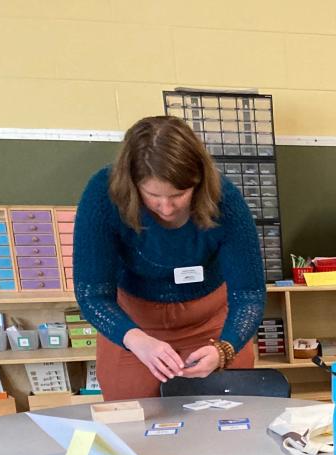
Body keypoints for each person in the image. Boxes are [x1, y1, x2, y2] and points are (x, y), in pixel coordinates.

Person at [73, 115, 265, 401]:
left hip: (209, 323)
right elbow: (92, 294)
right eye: (152, 195)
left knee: (227, 419)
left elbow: (249, 294)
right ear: (132, 183)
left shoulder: (225, 199)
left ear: (198, 182)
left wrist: (224, 348)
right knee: (134, 424)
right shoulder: (104, 194)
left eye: (179, 194)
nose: (166, 207)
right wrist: (135, 340)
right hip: (134, 327)